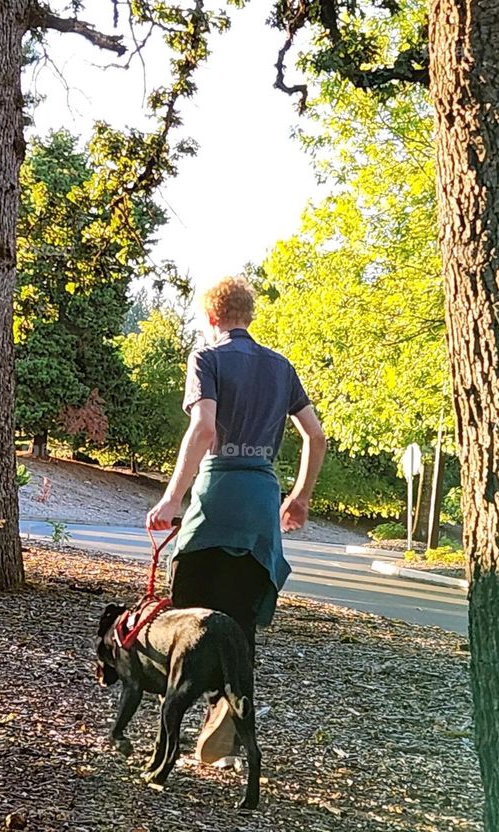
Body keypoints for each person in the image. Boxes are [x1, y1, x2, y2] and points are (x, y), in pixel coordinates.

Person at [146, 275, 327, 763]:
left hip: (217, 494)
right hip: (259, 501)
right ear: (249, 315)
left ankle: (172, 737)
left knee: (188, 618)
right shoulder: (281, 367)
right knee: (239, 625)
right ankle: (227, 728)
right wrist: (300, 497)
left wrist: (170, 500)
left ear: (210, 318)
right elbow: (315, 436)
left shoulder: (206, 359)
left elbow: (204, 428)